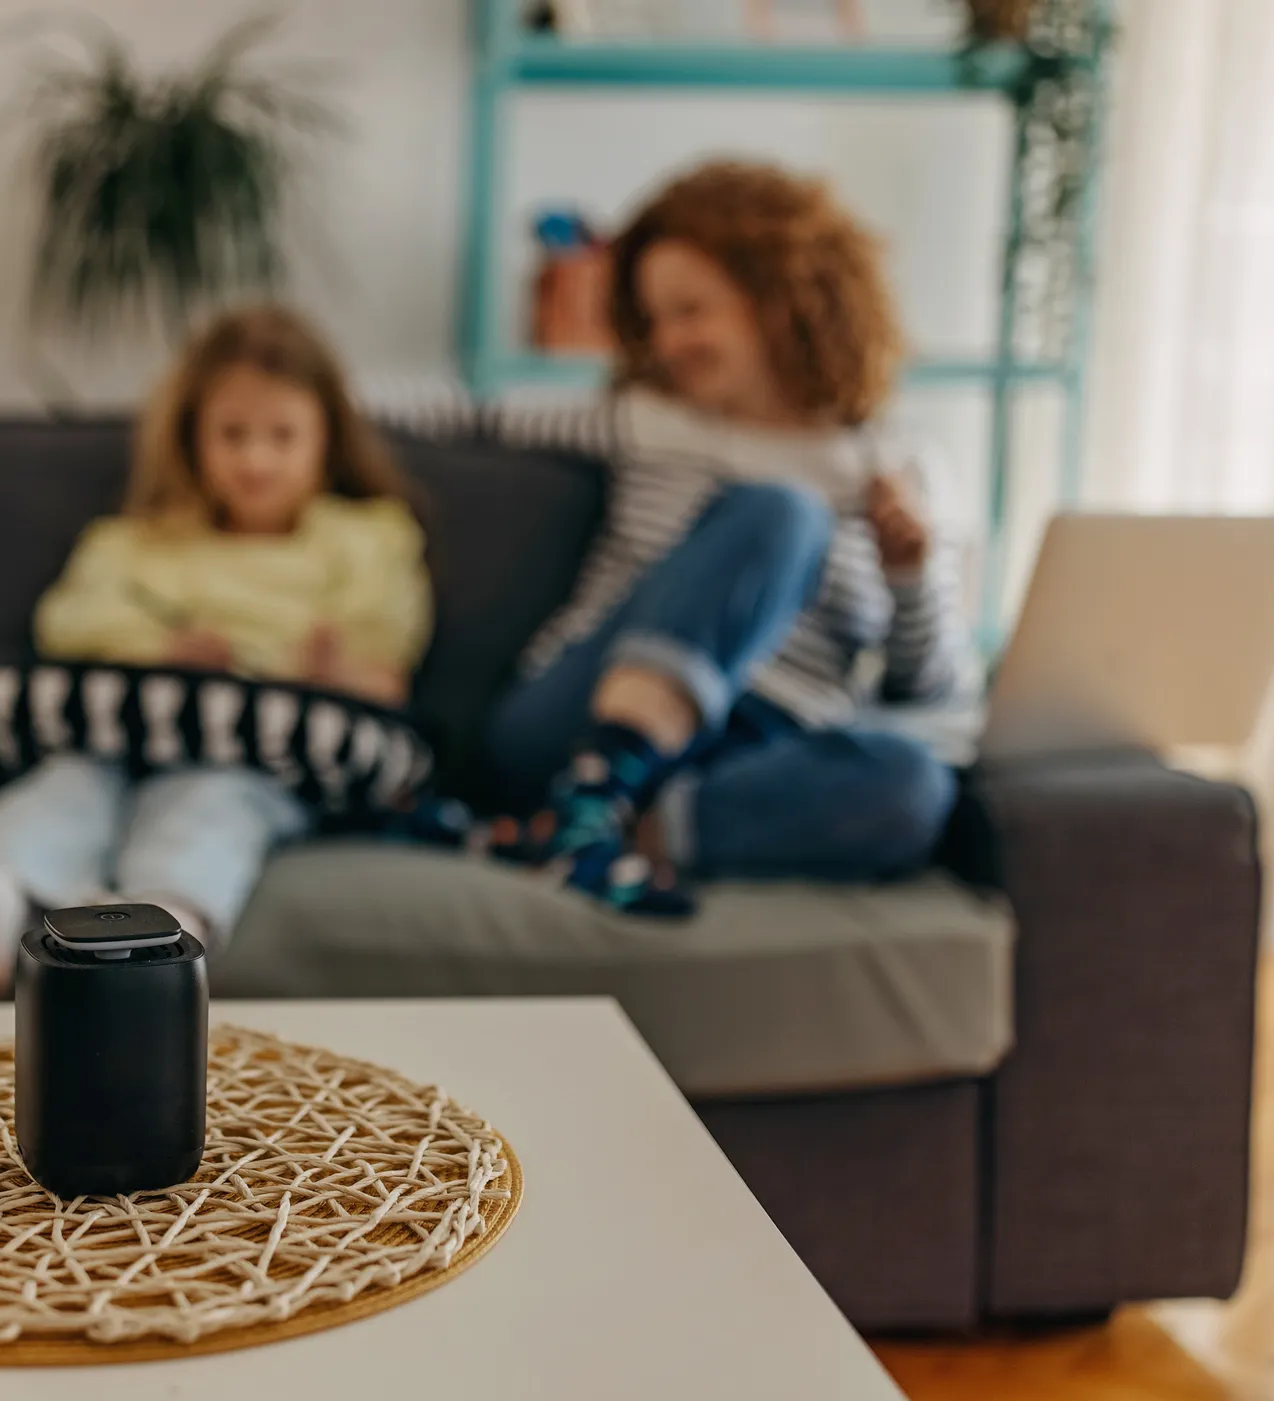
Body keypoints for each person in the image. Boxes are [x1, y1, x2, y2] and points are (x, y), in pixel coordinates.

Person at [412, 160, 974, 915]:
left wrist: (911, 574)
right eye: (654, 320)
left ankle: (577, 834)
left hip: (746, 756)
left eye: (692, 310)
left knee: (912, 784)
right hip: (571, 722)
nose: (669, 342)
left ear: (782, 298)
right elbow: (458, 416)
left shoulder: (899, 469)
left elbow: (928, 689)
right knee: (782, 513)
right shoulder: (648, 419)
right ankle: (593, 790)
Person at [0, 305, 431, 996]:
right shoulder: (139, 541)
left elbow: (387, 679)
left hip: (264, 755)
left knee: (212, 802)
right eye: (232, 434)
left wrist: (334, 668)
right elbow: (69, 624)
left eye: (282, 435)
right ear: (193, 438)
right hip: (129, 732)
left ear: (326, 438)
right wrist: (162, 647)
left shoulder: (367, 540)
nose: (255, 459)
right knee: (70, 782)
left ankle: (162, 927)